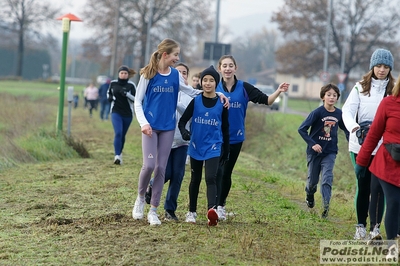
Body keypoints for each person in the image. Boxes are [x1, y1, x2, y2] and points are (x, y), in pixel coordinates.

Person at [131, 38, 229, 226]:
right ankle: (141, 198)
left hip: (168, 128)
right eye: (176, 54)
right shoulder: (148, 74)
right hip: (150, 128)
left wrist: (217, 95)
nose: (178, 58)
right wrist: (143, 123)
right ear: (165, 54)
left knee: (161, 168)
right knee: (149, 166)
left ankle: (153, 211)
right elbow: (137, 102)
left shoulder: (175, 75)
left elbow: (191, 92)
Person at [215, 55, 290, 220]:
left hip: (235, 137)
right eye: (224, 66)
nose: (227, 69)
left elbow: (267, 100)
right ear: (219, 68)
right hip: (215, 136)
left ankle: (220, 206)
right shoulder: (213, 86)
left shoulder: (244, 88)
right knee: (216, 172)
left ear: (235, 68)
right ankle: (213, 205)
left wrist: (278, 91)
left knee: (226, 172)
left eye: (230, 65)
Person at [342, 48, 395, 240]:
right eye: (378, 66)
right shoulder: (359, 88)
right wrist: (355, 128)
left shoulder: (394, 90)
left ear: (390, 69)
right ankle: (360, 226)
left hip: (384, 147)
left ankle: (375, 229)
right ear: (372, 66)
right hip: (360, 145)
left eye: (386, 67)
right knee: (363, 186)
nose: (382, 70)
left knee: (378, 189)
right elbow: (347, 111)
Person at [355, 74, 400, 259]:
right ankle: (392, 248)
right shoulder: (389, 103)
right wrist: (361, 162)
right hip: (387, 163)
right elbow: (373, 134)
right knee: (395, 201)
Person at [178, 65, 230, 226]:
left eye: (211, 80)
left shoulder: (222, 104)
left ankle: (211, 211)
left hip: (214, 147)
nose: (208, 83)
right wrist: (185, 133)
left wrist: (226, 150)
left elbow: (226, 129)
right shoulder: (196, 101)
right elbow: (182, 122)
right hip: (195, 146)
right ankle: (191, 212)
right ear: (201, 82)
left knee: (211, 178)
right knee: (195, 179)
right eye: (205, 80)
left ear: (216, 83)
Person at [144, 62, 193, 221]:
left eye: (184, 73)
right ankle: (151, 185)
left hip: (181, 141)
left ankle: (170, 210)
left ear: (187, 76)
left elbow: (189, 114)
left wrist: (176, 105)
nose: (181, 75)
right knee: (165, 172)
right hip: (163, 138)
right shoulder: (165, 90)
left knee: (178, 175)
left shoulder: (188, 95)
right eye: (178, 72)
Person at [298, 83, 349, 219]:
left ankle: (325, 208)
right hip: (314, 153)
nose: (331, 97)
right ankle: (309, 194)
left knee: (327, 179)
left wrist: (352, 142)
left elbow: (346, 129)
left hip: (330, 152)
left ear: (337, 98)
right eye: (329, 95)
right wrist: (312, 144)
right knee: (312, 182)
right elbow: (301, 129)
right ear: (323, 97)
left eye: (334, 95)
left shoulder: (339, 114)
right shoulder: (317, 113)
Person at [107, 65, 137, 165]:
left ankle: (120, 154)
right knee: (118, 133)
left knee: (122, 135)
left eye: (125, 73)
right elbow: (109, 93)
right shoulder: (113, 83)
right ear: (118, 74)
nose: (123, 75)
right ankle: (117, 155)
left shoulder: (131, 85)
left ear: (128, 75)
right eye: (121, 73)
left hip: (127, 113)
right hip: (115, 112)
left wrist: (127, 94)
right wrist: (110, 98)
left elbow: (137, 99)